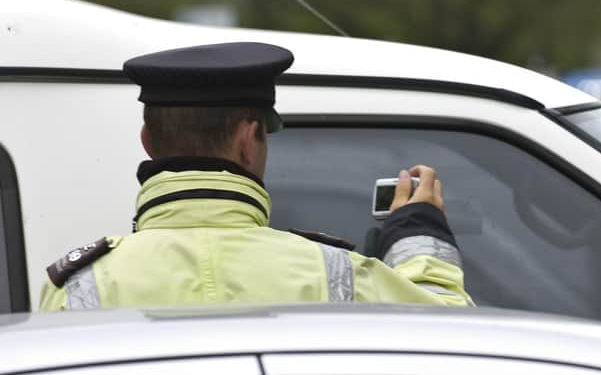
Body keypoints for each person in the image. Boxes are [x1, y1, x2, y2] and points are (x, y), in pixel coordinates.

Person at [39, 42, 473, 310]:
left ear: (147, 141)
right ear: (249, 140)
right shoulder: (332, 274)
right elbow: (454, 342)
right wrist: (419, 234)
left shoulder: (77, 288)